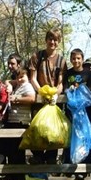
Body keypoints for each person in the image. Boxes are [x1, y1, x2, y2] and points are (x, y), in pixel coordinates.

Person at [28, 28, 67, 166]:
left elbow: (61, 82)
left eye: (55, 40)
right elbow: (32, 78)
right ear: (46, 40)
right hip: (39, 99)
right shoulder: (36, 57)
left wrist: (56, 94)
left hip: (54, 101)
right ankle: (37, 157)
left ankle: (51, 158)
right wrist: (41, 93)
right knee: (37, 128)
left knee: (53, 130)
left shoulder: (62, 60)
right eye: (50, 39)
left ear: (59, 42)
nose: (52, 42)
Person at [63, 48, 91, 180]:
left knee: (84, 138)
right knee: (70, 137)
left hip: (85, 112)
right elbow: (64, 88)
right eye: (73, 58)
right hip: (71, 112)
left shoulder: (88, 73)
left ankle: (83, 169)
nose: (76, 61)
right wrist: (68, 90)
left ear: (82, 59)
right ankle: (68, 168)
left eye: (78, 58)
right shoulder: (68, 73)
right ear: (70, 60)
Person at [2, 67, 36, 180]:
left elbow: (31, 98)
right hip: (13, 121)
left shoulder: (28, 86)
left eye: (22, 76)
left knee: (18, 151)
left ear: (28, 77)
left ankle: (19, 177)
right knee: (11, 150)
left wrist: (16, 99)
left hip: (21, 121)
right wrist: (10, 84)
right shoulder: (17, 86)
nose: (20, 79)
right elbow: (7, 82)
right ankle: (13, 175)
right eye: (18, 77)